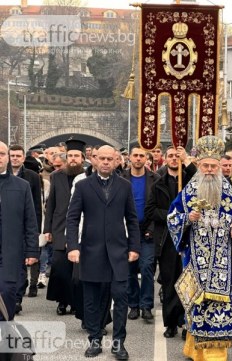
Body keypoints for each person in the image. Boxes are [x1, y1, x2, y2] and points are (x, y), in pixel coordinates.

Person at [168, 135, 232, 361]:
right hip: (196, 260)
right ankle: (195, 350)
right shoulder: (188, 191)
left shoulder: (230, 192)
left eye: (213, 166)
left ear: (219, 168)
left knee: (219, 305)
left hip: (222, 262)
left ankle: (216, 353)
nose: (208, 170)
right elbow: (172, 217)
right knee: (197, 304)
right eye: (204, 165)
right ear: (198, 165)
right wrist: (187, 217)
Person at [66, 145, 141, 360]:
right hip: (90, 251)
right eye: (102, 158)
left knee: (120, 298)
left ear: (117, 161)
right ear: (94, 160)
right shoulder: (83, 186)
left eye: (111, 159)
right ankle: (95, 340)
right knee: (91, 300)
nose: (106, 162)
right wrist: (73, 246)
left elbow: (132, 219)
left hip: (118, 252)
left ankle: (118, 343)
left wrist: (134, 247)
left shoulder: (125, 186)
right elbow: (72, 218)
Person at [146, 146, 197, 338]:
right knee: (170, 283)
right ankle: (171, 322)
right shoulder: (158, 184)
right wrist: (174, 215)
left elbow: (201, 179)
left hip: (189, 237)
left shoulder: (190, 179)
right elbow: (150, 211)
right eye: (171, 156)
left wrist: (188, 162)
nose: (174, 159)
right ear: (165, 159)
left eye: (177, 156)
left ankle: (187, 322)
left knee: (189, 282)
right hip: (167, 240)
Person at [44, 139, 85, 316]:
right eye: (70, 156)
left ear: (82, 158)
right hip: (60, 227)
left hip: (81, 228)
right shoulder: (56, 176)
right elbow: (50, 205)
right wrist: (47, 229)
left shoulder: (87, 177)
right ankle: (62, 301)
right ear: (66, 157)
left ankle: (76, 302)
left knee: (78, 270)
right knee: (60, 267)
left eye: (76, 156)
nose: (73, 159)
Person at [0, 141, 39, 321]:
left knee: (7, 293)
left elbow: (30, 221)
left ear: (7, 157)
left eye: (1, 154)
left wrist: (32, 250)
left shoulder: (21, 186)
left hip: (10, 251)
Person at [122, 146, 160, 322]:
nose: (138, 158)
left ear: (147, 159)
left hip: (147, 231)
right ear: (129, 158)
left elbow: (157, 207)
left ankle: (146, 306)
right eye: (135, 155)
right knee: (129, 270)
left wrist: (150, 229)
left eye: (141, 156)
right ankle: (133, 305)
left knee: (146, 268)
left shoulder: (155, 179)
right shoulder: (121, 178)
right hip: (127, 231)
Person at [8, 145, 42, 305]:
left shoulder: (32, 176)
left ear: (23, 158)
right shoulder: (4, 175)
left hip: (23, 227)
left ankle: (17, 299)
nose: (14, 158)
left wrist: (36, 231)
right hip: (7, 225)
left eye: (17, 155)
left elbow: (36, 204)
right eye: (12, 155)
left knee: (21, 263)